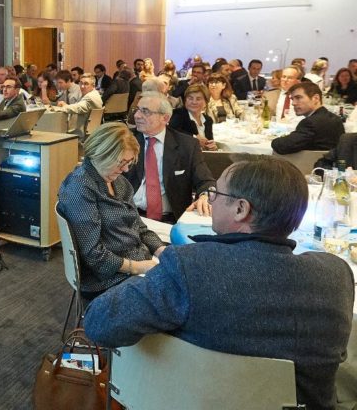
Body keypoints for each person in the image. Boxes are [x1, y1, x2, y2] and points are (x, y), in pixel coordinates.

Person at [84, 157, 354, 410]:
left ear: (241, 209)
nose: (210, 200)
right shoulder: (337, 276)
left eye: (217, 194)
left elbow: (99, 324)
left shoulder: (190, 267)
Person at [58, 123, 166, 300]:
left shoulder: (118, 182)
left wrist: (162, 251)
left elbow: (139, 227)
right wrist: (138, 267)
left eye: (129, 163)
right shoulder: (80, 188)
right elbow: (93, 255)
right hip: (107, 277)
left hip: (137, 260)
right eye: (121, 163)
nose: (125, 169)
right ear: (100, 155)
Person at [124, 92, 215, 223]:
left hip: (171, 219)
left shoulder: (187, 145)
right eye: (137, 110)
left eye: (145, 111)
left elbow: (205, 181)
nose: (137, 116)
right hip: (130, 216)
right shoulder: (125, 141)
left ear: (165, 118)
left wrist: (205, 195)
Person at [271, 81, 344, 155]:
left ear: (316, 98)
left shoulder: (310, 123)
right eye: (292, 99)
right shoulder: (336, 119)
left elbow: (283, 146)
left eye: (298, 98)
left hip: (308, 165)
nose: (293, 103)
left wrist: (274, 141)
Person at [54, 74, 103, 141]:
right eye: (81, 83)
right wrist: (66, 105)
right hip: (89, 132)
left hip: (79, 135)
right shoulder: (94, 94)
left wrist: (59, 108)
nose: (82, 86)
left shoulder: (90, 97)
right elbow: (80, 106)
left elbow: (78, 107)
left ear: (93, 85)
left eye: (86, 84)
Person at [168, 84, 216, 151]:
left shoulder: (208, 120)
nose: (194, 102)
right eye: (190, 98)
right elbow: (172, 131)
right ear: (185, 100)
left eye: (198, 99)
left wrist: (211, 146)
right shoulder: (178, 114)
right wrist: (194, 138)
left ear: (206, 102)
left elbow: (209, 140)